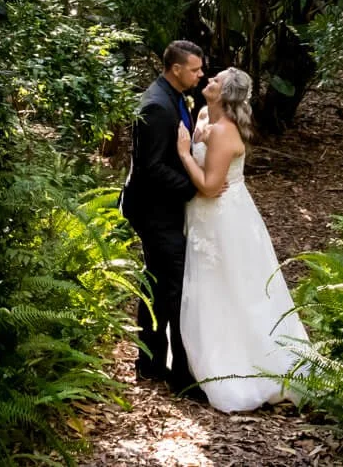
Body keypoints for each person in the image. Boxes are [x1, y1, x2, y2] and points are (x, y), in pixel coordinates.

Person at [174, 67, 310, 412]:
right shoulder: (206, 116)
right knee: (209, 288)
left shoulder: (224, 132)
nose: (209, 81)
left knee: (232, 289)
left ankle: (245, 369)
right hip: (205, 217)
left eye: (215, 80)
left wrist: (185, 154)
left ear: (224, 94)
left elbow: (207, 185)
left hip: (224, 219)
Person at [119, 39, 205, 390]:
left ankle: (151, 363)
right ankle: (181, 376)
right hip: (155, 210)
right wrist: (194, 188)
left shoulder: (172, 97)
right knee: (172, 286)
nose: (200, 75)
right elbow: (150, 168)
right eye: (195, 69)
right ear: (176, 69)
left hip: (163, 208)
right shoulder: (157, 106)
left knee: (156, 283)